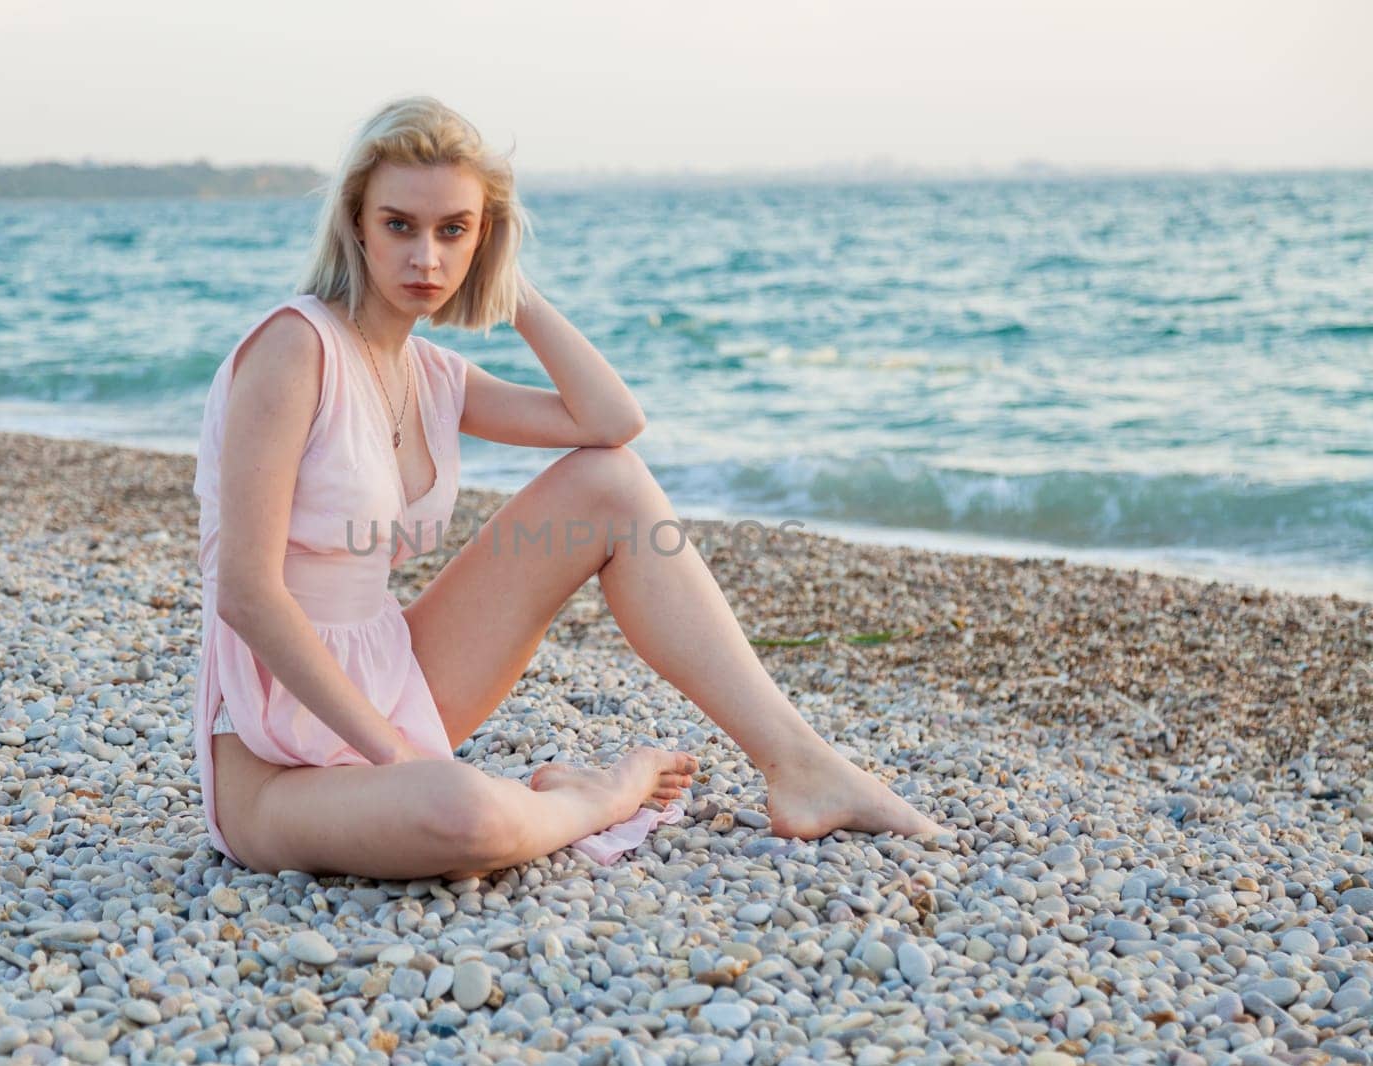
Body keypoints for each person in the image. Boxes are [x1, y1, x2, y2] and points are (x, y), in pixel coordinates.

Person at [191, 95, 942, 878]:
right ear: (356, 224)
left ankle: (801, 764)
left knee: (610, 485)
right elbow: (245, 592)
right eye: (400, 225)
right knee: (464, 816)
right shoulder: (293, 348)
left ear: (483, 237)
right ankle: (605, 796)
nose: (427, 259)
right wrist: (396, 756)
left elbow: (612, 421)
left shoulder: (432, 374)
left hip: (391, 673)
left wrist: (509, 289)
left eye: (454, 230)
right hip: (271, 754)